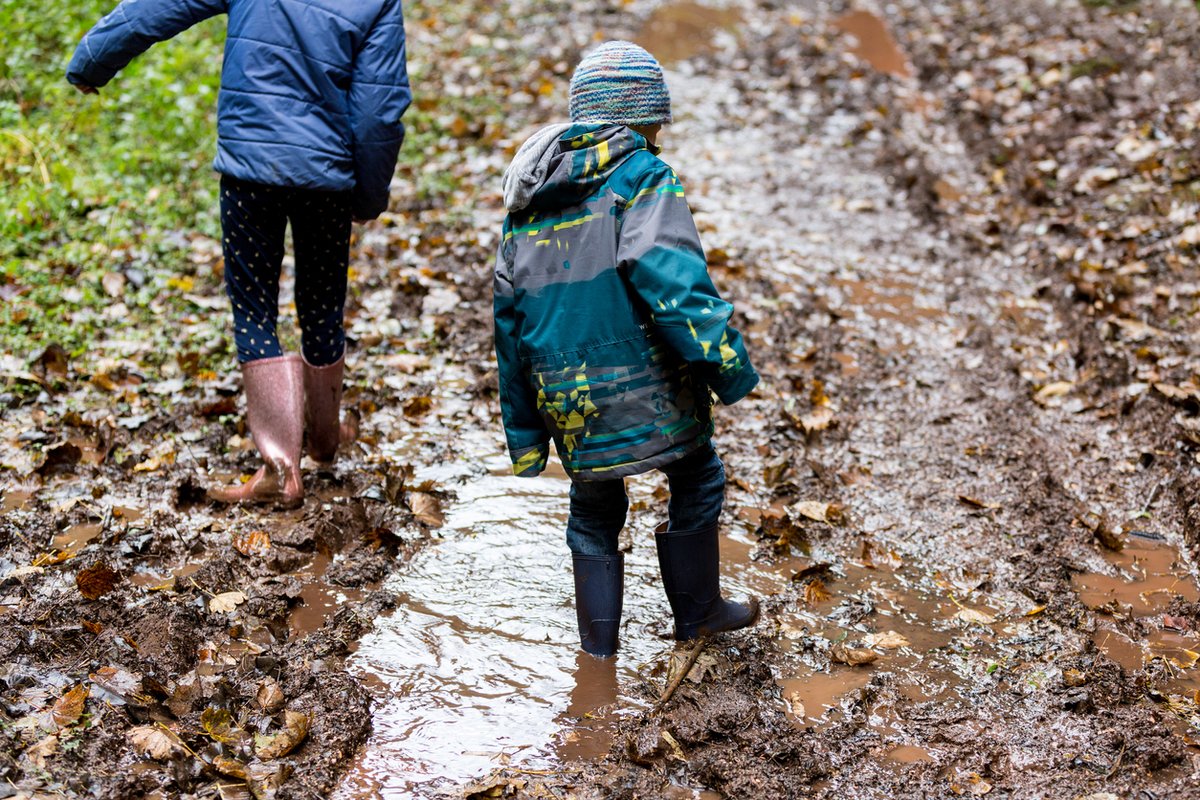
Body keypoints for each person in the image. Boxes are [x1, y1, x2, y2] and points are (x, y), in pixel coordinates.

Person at [66, 0, 411, 508]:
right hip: (327, 180)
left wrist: (92, 61)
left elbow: (158, 8)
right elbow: (378, 109)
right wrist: (368, 196)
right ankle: (323, 441)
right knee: (322, 307)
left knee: (254, 310)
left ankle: (281, 468)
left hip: (250, 170)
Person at [493, 41, 760, 658]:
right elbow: (676, 286)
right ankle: (699, 613)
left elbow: (509, 329)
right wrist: (727, 365)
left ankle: (598, 653)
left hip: (567, 395)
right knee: (697, 475)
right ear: (640, 119)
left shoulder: (527, 199)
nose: (660, 136)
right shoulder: (643, 178)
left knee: (593, 506)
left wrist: (525, 435)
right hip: (647, 380)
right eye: (656, 123)